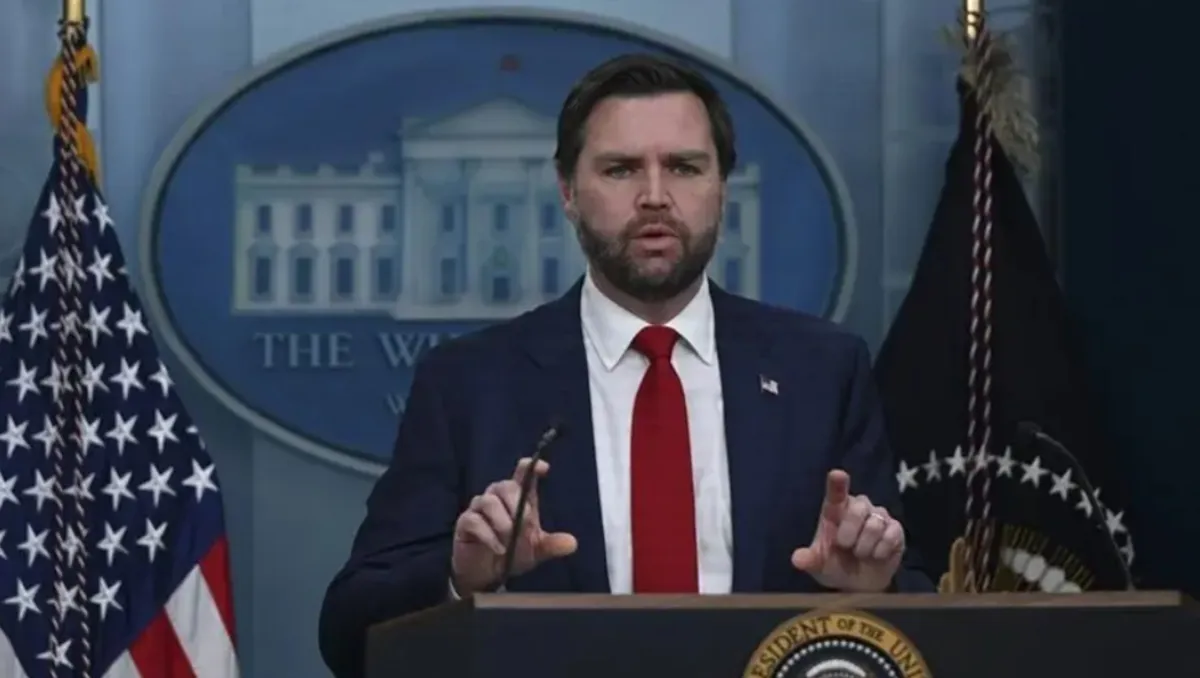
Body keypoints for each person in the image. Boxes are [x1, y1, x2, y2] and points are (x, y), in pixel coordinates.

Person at [317, 53, 935, 678]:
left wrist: (871, 589)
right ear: (567, 191)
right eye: (621, 169)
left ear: (722, 187)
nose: (655, 197)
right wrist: (459, 578)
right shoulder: (469, 384)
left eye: (685, 167)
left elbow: (918, 613)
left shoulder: (822, 372)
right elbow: (349, 633)